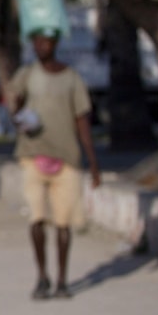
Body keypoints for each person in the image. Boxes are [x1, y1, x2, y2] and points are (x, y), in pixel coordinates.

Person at [7, 26, 101, 300]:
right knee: (37, 218)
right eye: (37, 42)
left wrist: (93, 163)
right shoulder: (27, 75)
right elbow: (15, 106)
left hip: (67, 159)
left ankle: (62, 280)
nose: (42, 47)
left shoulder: (72, 79)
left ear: (55, 43)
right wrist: (20, 116)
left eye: (46, 42)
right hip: (33, 156)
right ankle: (41, 277)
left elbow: (82, 121)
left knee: (63, 223)